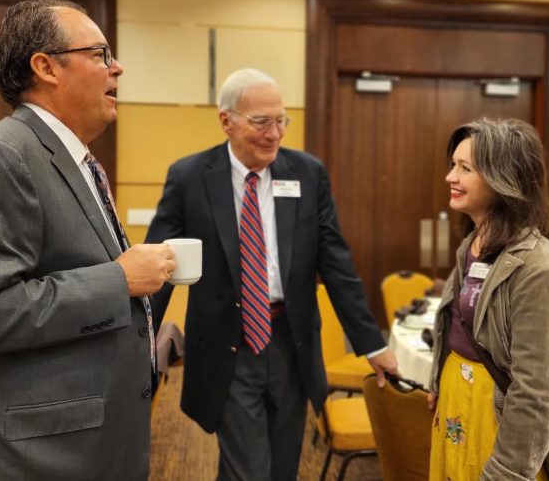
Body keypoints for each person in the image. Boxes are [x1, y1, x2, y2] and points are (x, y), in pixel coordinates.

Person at [0, 0, 175, 480]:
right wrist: (118, 281)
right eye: (101, 53)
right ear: (45, 67)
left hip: (81, 440)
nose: (117, 67)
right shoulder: (2, 154)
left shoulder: (67, 157)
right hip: (39, 457)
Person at [145, 68, 399, 480]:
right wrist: (137, 336)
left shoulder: (306, 174)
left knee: (282, 469)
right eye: (261, 121)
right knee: (247, 470)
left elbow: (336, 264)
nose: (274, 133)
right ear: (226, 120)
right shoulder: (190, 177)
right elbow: (157, 263)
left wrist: (372, 344)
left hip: (290, 343)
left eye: (281, 120)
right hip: (228, 345)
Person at [427, 118, 549, 480]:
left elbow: (535, 393)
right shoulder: (472, 245)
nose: (450, 177)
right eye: (452, 165)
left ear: (501, 178)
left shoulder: (540, 268)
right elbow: (454, 324)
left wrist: (507, 471)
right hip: (458, 405)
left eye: (465, 168)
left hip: (498, 421)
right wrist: (437, 381)